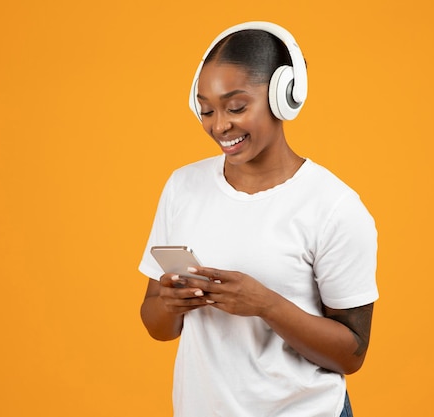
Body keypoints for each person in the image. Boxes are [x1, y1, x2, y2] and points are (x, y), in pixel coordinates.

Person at [139, 21, 378, 417]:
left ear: (285, 97)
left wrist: (266, 305)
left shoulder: (333, 206)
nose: (219, 125)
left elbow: (352, 353)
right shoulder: (183, 187)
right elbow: (156, 325)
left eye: (236, 107)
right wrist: (172, 303)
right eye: (206, 110)